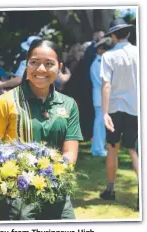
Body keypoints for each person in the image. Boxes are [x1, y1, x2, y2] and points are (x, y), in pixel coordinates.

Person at [0, 39, 83, 220]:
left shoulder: (69, 104)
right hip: (15, 199)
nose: (41, 69)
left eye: (49, 64)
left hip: (57, 194)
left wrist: (51, 174)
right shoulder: (4, 103)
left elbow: (70, 151)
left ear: (59, 67)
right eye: (34, 62)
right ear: (26, 65)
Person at [100, 18, 138, 206]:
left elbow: (106, 85)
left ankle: (110, 189)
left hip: (114, 108)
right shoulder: (140, 52)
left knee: (112, 149)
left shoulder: (108, 56)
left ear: (113, 36)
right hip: (136, 108)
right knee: (135, 151)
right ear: (129, 34)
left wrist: (104, 113)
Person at [90, 37, 113, 157]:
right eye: (104, 49)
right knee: (99, 124)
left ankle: (97, 148)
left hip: (101, 97)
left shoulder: (100, 62)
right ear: (99, 50)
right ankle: (98, 149)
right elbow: (102, 81)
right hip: (100, 97)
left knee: (101, 124)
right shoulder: (97, 63)